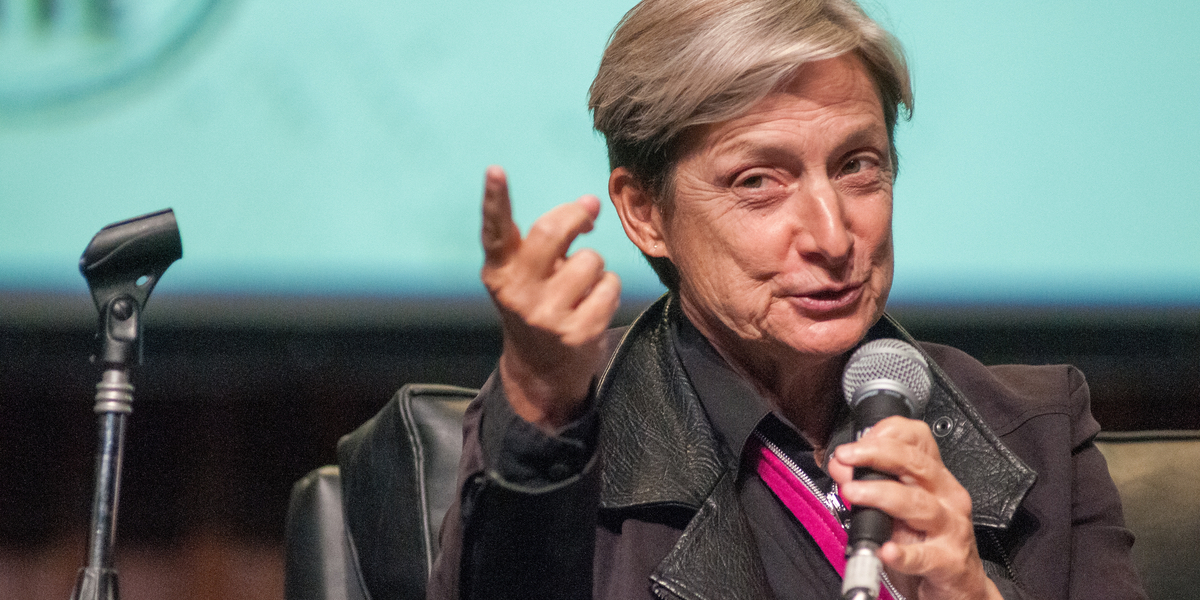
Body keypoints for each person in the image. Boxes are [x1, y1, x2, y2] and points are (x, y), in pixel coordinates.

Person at [424, 0, 1146, 598]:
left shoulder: (1040, 431)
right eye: (758, 182)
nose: (833, 236)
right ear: (645, 211)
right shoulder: (566, 449)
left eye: (858, 166)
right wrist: (541, 400)